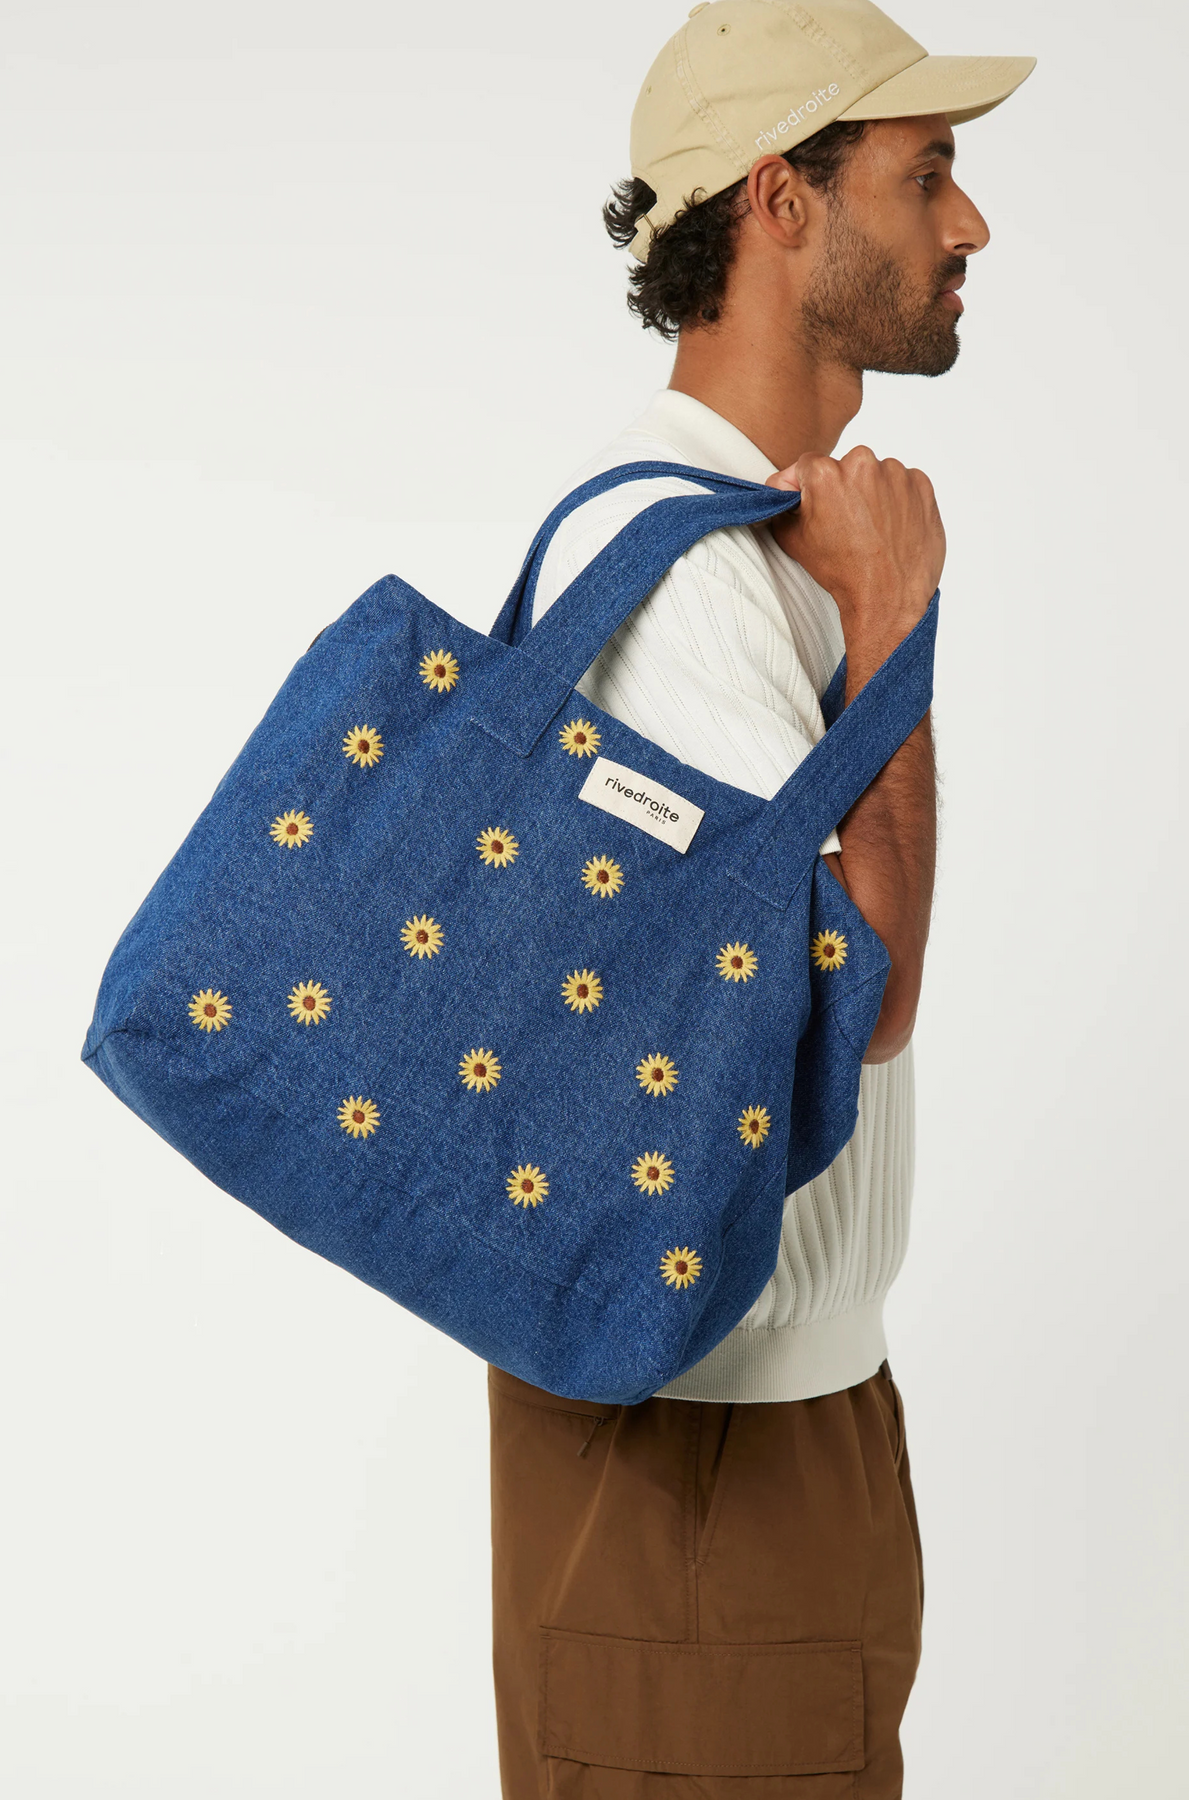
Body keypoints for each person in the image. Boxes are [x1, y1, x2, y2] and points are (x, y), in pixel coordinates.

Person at [487, 4, 1034, 1794]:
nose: (967, 224)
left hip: (779, 1414)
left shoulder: (757, 545)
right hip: (698, 1457)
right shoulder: (686, 578)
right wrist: (891, 630)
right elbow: (853, 994)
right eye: (924, 174)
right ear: (778, 201)